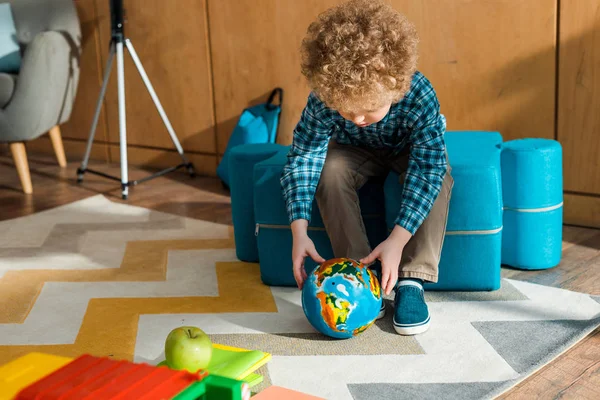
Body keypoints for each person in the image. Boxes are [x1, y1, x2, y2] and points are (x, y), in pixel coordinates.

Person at [280, 0, 453, 335]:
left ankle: (411, 281)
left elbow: (427, 168)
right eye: (346, 110)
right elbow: (304, 157)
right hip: (353, 152)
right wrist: (298, 233)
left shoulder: (419, 93)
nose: (357, 118)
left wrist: (398, 240)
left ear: (395, 85)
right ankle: (360, 274)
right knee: (328, 169)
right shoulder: (322, 100)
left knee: (441, 174)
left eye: (368, 109)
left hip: (408, 151)